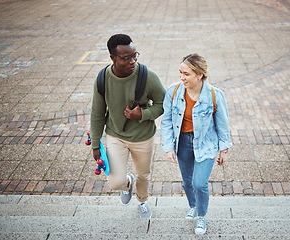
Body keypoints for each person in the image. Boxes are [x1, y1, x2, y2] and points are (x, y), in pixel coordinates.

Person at [90, 34, 166, 219]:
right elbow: (97, 113)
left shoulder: (148, 76)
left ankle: (142, 201)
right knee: (115, 182)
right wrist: (95, 143)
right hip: (116, 135)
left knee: (143, 175)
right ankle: (127, 183)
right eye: (126, 58)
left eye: (135, 55)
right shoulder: (102, 79)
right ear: (113, 58)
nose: (132, 61)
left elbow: (163, 103)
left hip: (143, 137)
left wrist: (143, 114)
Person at [161, 53, 232, 234]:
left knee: (199, 183)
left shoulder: (215, 95)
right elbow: (167, 121)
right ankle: (193, 205)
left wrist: (224, 149)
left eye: (186, 74)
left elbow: (222, 123)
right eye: (180, 72)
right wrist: (168, 147)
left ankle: (201, 216)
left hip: (206, 143)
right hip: (182, 142)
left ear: (199, 74)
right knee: (187, 182)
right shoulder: (173, 91)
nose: (181, 77)